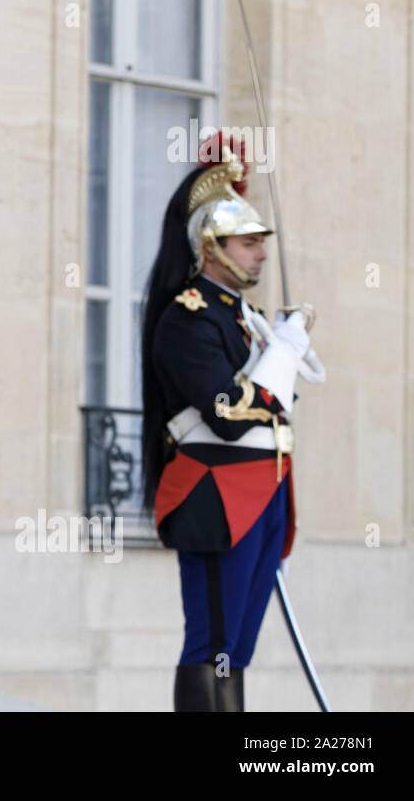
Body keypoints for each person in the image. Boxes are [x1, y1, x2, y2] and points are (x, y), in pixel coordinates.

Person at [140, 131, 324, 711]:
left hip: (263, 491)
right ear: (211, 247)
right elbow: (226, 415)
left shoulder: (244, 321)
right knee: (212, 643)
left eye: (258, 241)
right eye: (247, 242)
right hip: (216, 494)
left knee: (237, 647)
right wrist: (281, 356)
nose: (261, 253)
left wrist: (283, 345)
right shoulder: (188, 318)